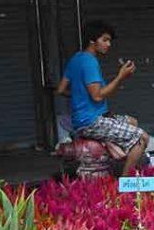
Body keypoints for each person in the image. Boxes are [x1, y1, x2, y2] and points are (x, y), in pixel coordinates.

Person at [56, 20, 148, 175]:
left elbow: (61, 89)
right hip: (92, 122)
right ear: (92, 40)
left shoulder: (76, 58)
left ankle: (113, 148)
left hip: (87, 119)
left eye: (109, 41)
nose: (108, 44)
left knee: (132, 122)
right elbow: (97, 96)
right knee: (142, 138)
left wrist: (81, 97)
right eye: (105, 40)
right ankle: (126, 182)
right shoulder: (89, 62)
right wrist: (120, 77)